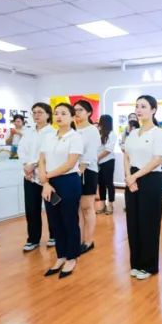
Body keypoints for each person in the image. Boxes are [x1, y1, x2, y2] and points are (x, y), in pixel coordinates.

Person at [123, 95, 162, 280]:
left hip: (150, 179)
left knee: (148, 223)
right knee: (133, 222)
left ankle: (149, 266)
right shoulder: (133, 133)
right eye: (137, 106)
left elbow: (157, 159)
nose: (139, 110)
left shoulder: (158, 133)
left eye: (143, 106)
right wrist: (128, 177)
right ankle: (136, 263)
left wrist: (134, 176)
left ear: (153, 110)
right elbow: (126, 156)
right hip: (132, 179)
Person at [37, 102, 83, 278]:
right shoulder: (48, 137)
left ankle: (72, 257)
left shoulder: (75, 137)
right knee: (55, 221)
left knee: (69, 220)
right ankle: (61, 255)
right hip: (49, 183)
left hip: (68, 181)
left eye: (64, 113)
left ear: (72, 117)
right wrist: (45, 181)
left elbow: (70, 163)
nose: (59, 116)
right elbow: (42, 159)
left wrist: (46, 177)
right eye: (56, 113)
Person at [19, 102, 54, 251]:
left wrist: (32, 165)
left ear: (48, 114)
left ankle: (55, 235)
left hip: (48, 176)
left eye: (40, 112)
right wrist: (26, 166)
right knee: (31, 209)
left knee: (52, 208)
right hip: (29, 177)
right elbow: (21, 150)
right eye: (34, 112)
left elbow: (48, 153)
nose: (36, 115)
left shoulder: (53, 132)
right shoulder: (28, 132)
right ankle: (33, 239)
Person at [72, 100, 100, 254]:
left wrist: (79, 171)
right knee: (77, 209)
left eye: (80, 110)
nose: (77, 112)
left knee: (87, 207)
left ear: (89, 113)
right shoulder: (73, 129)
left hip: (87, 171)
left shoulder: (92, 130)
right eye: (75, 110)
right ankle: (79, 239)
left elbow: (90, 153)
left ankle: (88, 241)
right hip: (72, 171)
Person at [96, 114, 117, 215]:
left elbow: (108, 150)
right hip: (98, 162)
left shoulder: (112, 134)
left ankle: (110, 205)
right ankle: (102, 204)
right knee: (101, 184)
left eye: (101, 121)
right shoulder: (98, 133)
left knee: (109, 183)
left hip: (108, 161)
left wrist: (97, 158)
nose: (99, 123)